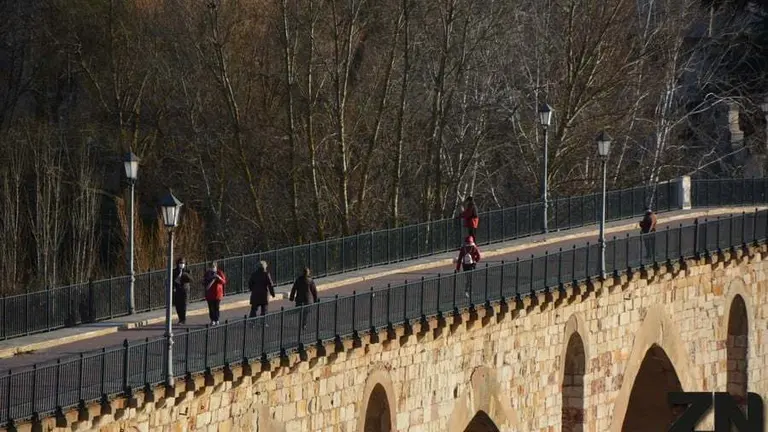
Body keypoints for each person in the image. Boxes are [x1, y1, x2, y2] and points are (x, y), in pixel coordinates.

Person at [203, 261, 227, 325]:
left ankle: (217, 319)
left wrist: (218, 277)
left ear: (216, 266)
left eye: (213, 267)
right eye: (211, 267)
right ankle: (212, 320)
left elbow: (224, 282)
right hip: (209, 294)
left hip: (217, 294)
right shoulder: (207, 273)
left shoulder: (219, 272)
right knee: (211, 308)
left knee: (216, 307)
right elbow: (204, 282)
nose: (212, 268)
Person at [172, 257, 193, 324]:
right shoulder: (174, 271)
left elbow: (191, 279)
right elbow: (172, 280)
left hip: (185, 290)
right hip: (177, 290)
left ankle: (183, 319)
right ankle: (180, 318)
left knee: (183, 305)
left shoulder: (187, 270)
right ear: (178, 263)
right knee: (178, 306)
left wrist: (184, 274)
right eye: (180, 263)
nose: (182, 264)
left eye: (183, 263)